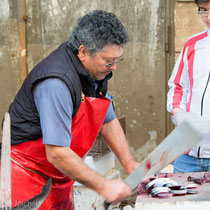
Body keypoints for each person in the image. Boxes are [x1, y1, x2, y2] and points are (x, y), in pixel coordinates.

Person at [1, 10, 139, 209]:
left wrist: (129, 163)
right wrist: (103, 185)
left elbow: (107, 120)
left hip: (60, 178)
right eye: (108, 61)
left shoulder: (95, 73)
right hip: (28, 181)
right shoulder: (56, 82)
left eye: (117, 60)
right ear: (83, 51)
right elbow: (56, 153)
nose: (114, 67)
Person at [167, 0, 210, 173]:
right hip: (187, 156)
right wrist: (177, 111)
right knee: (179, 199)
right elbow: (178, 86)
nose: (208, 17)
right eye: (204, 11)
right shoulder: (193, 44)